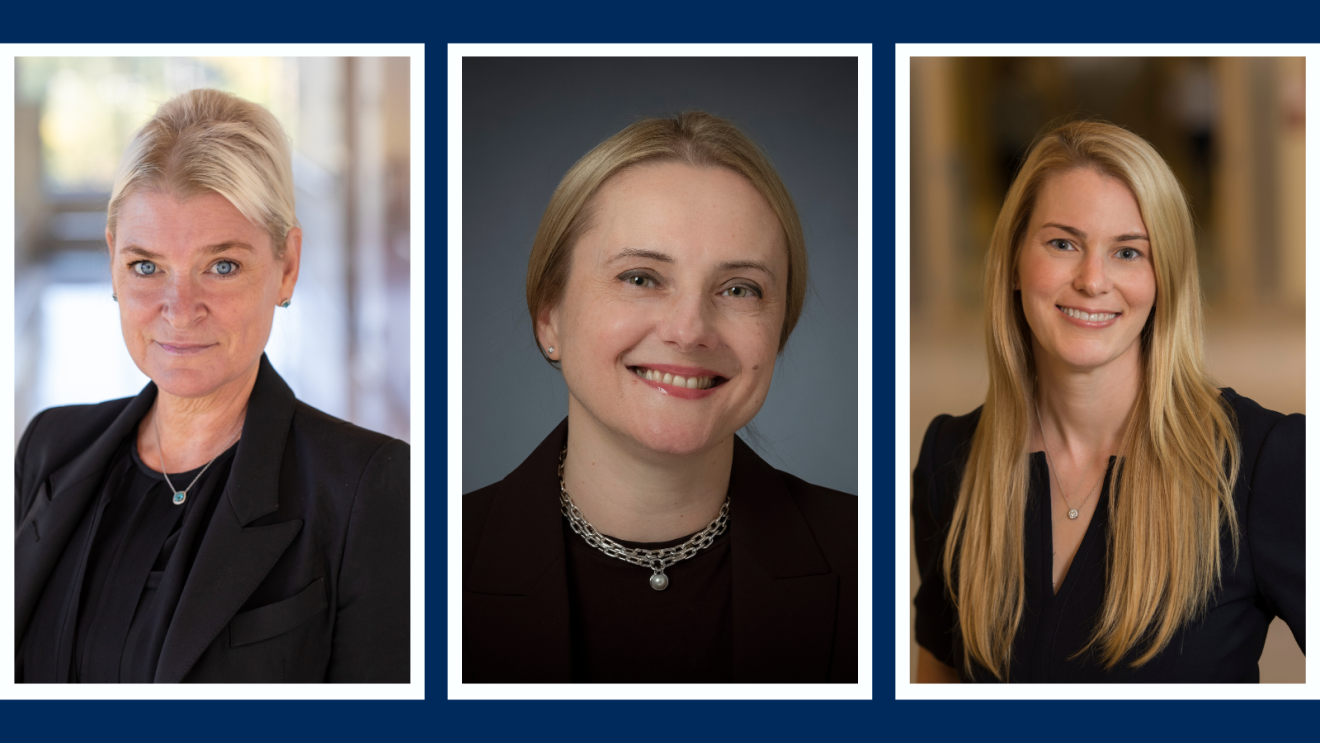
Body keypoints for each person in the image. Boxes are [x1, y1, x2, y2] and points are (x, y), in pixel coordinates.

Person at [15, 89, 409, 683]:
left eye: (221, 265)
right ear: (112, 264)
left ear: (286, 266)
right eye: (145, 265)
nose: (179, 309)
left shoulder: (368, 487)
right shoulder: (50, 445)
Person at [463, 112, 857, 683]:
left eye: (740, 288)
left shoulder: (871, 559)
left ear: (779, 332)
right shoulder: (427, 561)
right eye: (641, 277)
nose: (690, 329)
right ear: (550, 316)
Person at [913, 121, 1304, 683]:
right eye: (1063, 243)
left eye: (1128, 252)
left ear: (1164, 277)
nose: (1093, 280)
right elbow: (939, 681)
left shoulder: (1264, 463)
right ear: (1015, 263)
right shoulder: (952, 458)